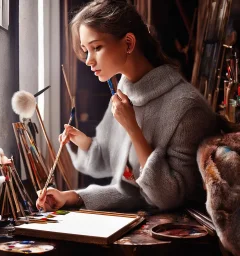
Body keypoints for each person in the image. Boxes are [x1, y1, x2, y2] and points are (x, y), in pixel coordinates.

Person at [36, 0, 218, 212]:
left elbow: (168, 198)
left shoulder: (187, 109)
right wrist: (72, 196)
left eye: (96, 48)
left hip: (186, 234)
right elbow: (132, 187)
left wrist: (132, 128)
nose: (88, 60)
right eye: (86, 50)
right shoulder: (125, 89)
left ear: (128, 44)